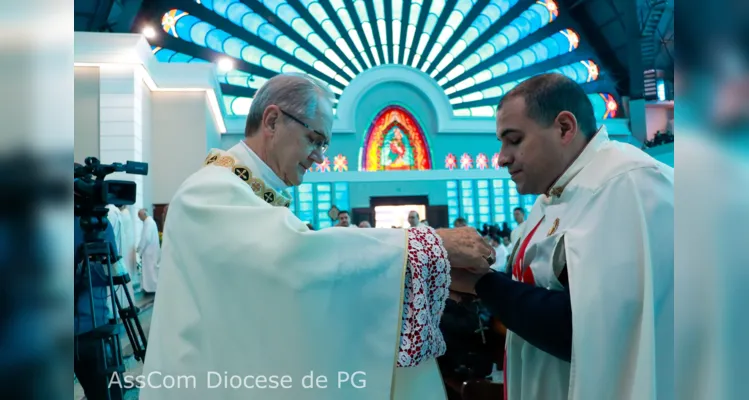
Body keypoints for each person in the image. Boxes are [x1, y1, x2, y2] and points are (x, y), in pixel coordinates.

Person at [139, 73, 495, 400]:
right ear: (273, 121)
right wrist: (422, 245)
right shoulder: (208, 192)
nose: (321, 157)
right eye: (315, 139)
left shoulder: (247, 191)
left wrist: (407, 275)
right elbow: (295, 259)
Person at [451, 73, 674, 400]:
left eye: (514, 140)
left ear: (565, 128)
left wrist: (483, 284)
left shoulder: (628, 184)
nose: (502, 157)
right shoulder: (551, 197)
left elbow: (589, 330)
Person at [136, 209, 160, 294]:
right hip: (151, 251)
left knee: (150, 271)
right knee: (151, 271)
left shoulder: (148, 222)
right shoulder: (150, 222)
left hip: (149, 252)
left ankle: (150, 289)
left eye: (140, 216)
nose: (140, 219)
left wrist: (139, 249)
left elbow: (146, 238)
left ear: (144, 214)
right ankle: (150, 288)